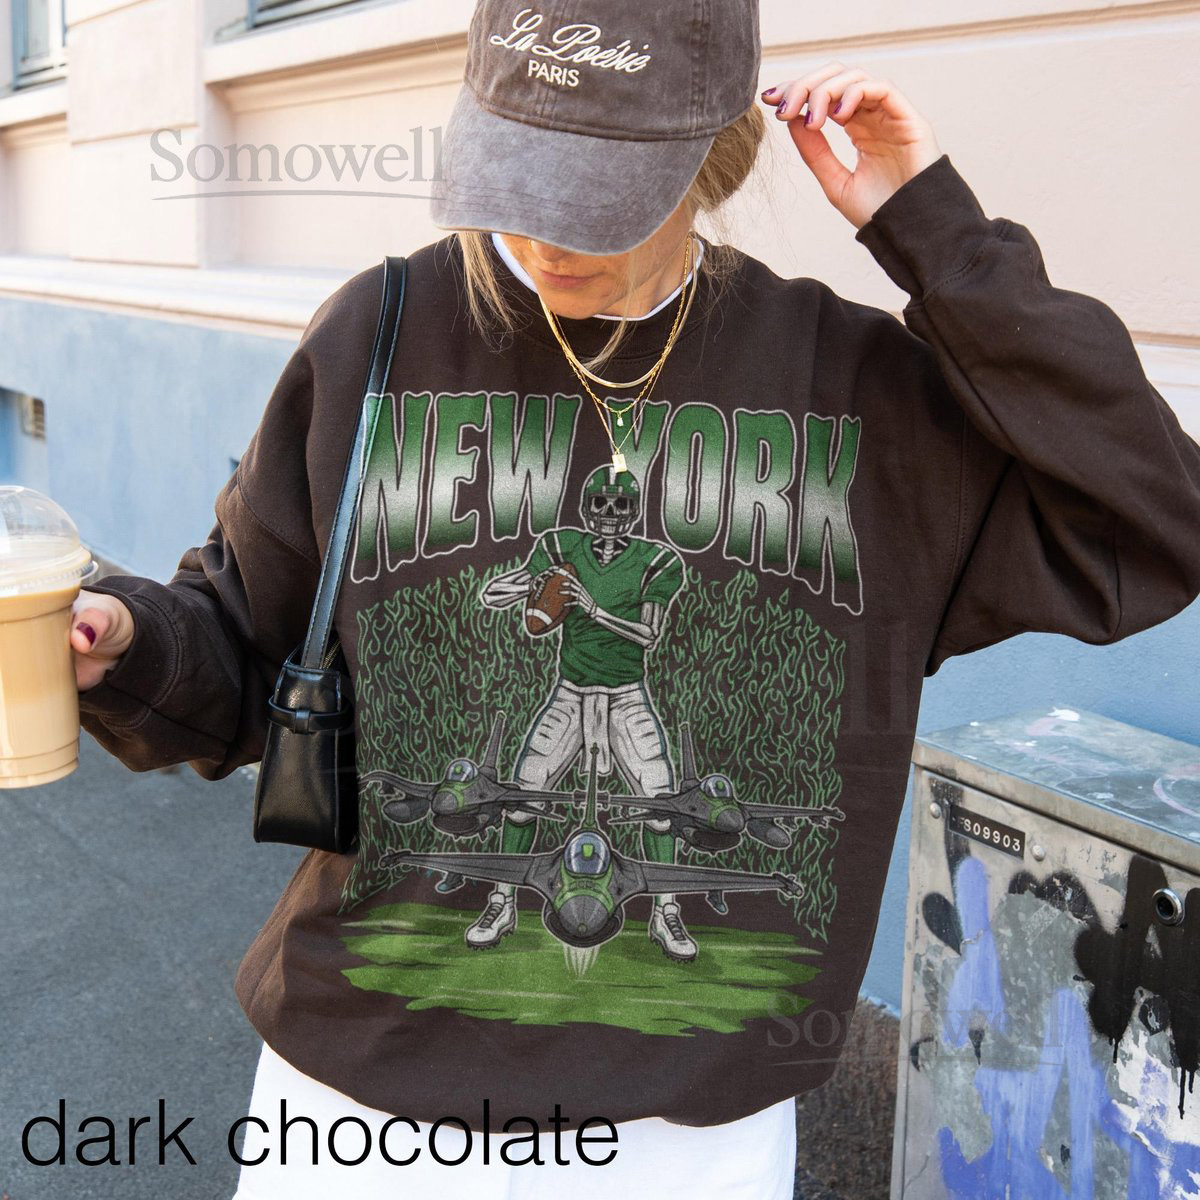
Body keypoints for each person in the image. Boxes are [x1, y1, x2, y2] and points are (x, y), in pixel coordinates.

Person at [70, 1, 1200, 1197]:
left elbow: (1153, 523)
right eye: (518, 173)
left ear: (714, 152)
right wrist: (122, 641)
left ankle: (657, 909)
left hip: (688, 1135)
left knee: (662, 803)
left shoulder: (850, 386)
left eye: (598, 191)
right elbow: (243, 645)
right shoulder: (380, 333)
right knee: (529, 783)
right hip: (365, 1108)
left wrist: (938, 237)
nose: (545, 234)